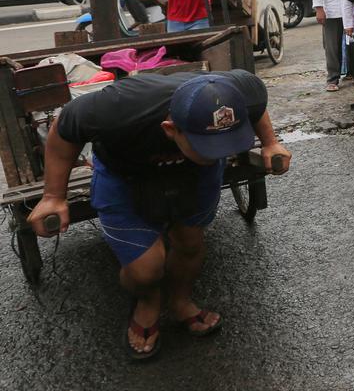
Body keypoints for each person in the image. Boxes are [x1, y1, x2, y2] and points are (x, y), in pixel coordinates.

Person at [26, 71, 291, 360]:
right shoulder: (117, 110)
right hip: (125, 173)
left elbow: (255, 105)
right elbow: (64, 127)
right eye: (209, 147)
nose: (221, 154)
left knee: (190, 243)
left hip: (194, 173)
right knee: (145, 269)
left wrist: (270, 142)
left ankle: (179, 301)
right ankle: (148, 302)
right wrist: (53, 196)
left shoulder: (241, 89)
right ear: (170, 129)